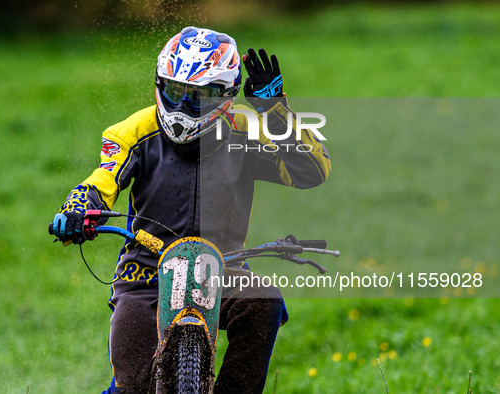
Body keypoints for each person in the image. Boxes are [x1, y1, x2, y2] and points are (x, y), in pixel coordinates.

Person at [51, 26, 331, 393]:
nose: (183, 106)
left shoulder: (245, 128)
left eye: (200, 97)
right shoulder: (133, 130)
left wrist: (276, 111)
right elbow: (100, 183)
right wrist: (77, 209)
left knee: (264, 301)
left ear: (226, 97)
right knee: (132, 386)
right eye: (175, 91)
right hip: (145, 273)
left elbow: (312, 171)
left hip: (224, 267)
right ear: (158, 83)